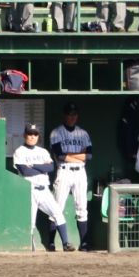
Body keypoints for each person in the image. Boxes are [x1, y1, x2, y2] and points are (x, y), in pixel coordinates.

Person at [14, 124, 74, 251]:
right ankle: (30, 247)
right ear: (25, 135)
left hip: (44, 190)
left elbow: (50, 168)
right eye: (29, 134)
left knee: (58, 213)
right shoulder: (19, 151)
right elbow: (25, 171)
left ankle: (66, 244)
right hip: (29, 190)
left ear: (38, 136)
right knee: (30, 222)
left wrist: (34, 165)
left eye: (35, 134)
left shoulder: (43, 151)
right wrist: (41, 167)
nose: (32, 137)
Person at [48, 104, 93, 250]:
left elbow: (89, 155)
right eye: (69, 114)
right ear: (64, 115)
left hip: (80, 172)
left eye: (74, 114)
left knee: (82, 208)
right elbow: (60, 156)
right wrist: (80, 156)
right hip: (64, 171)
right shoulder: (56, 132)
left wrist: (70, 156)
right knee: (56, 207)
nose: (72, 117)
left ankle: (84, 243)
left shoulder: (83, 133)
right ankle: (51, 242)